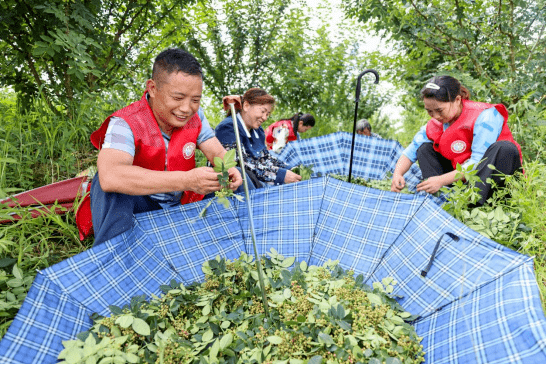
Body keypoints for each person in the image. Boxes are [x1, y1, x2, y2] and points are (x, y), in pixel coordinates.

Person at [76, 48, 242, 246]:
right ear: (153, 88)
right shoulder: (126, 122)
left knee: (240, 176)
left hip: (180, 205)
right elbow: (111, 176)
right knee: (108, 186)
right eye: (178, 98)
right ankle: (114, 254)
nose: (186, 108)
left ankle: (231, 242)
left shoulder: (196, 117)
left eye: (195, 100)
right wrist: (187, 180)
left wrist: (229, 169)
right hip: (140, 207)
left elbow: (216, 151)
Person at [391, 75, 522, 206]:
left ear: (457, 100)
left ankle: (476, 206)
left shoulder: (485, 116)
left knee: (505, 148)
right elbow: (410, 152)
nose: (435, 116)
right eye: (430, 111)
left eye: (439, 110)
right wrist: (397, 174)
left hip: (491, 180)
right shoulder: (436, 124)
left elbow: (477, 162)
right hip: (463, 180)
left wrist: (440, 180)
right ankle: (442, 202)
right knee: (425, 149)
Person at [215, 88, 301, 188]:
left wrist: (289, 168)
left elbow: (265, 158)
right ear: (246, 106)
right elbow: (241, 164)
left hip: (253, 182)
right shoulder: (228, 128)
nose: (264, 118)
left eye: (267, 114)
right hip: (229, 186)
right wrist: (280, 175)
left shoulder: (258, 131)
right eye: (263, 111)